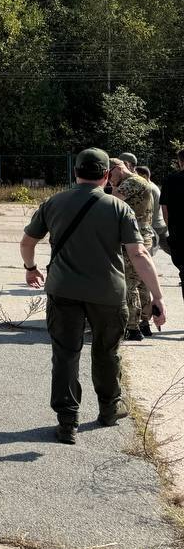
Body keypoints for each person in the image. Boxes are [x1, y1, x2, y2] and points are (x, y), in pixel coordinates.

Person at [20, 149, 167, 445]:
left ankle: (67, 422)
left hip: (63, 291)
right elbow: (138, 254)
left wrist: (31, 268)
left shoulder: (53, 203)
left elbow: (28, 241)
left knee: (65, 355)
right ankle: (109, 409)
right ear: (105, 176)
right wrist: (157, 296)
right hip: (108, 294)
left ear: (76, 172)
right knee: (106, 351)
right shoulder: (118, 208)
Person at [109, 159, 155, 340]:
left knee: (130, 282)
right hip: (142, 235)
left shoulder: (132, 182)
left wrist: (112, 186)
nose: (109, 178)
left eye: (110, 174)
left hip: (135, 237)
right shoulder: (138, 181)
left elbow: (112, 201)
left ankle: (133, 327)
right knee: (142, 281)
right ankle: (144, 322)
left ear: (119, 168)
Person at [159, 148, 184, 280]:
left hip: (179, 233)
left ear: (180, 161)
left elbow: (165, 209)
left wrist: (171, 228)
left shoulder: (170, 180)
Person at [136, 165, 168, 259]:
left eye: (137, 175)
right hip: (160, 223)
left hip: (154, 225)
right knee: (169, 248)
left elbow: (148, 208)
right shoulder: (153, 186)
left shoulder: (148, 188)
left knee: (147, 253)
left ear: (144, 176)